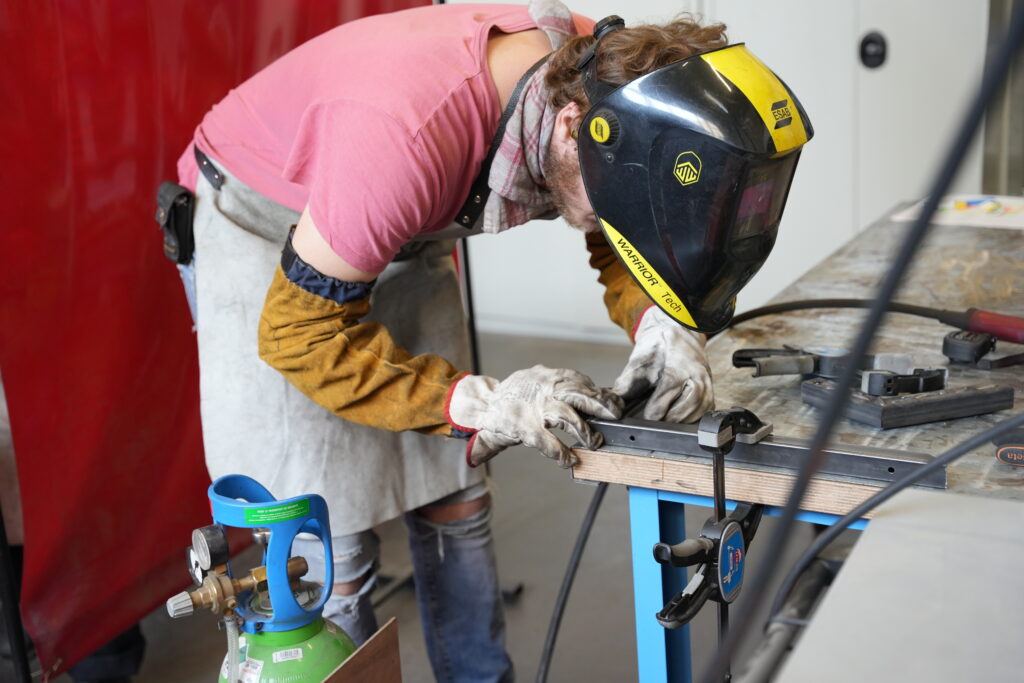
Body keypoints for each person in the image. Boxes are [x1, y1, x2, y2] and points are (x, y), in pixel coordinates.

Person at [174, 2, 811, 680]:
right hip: (265, 222)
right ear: (570, 128)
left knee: (455, 497)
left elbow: (620, 215)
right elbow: (297, 332)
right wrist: (479, 403)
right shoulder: (405, 139)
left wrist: (660, 323)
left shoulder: (607, 75)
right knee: (334, 544)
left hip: (397, 221)